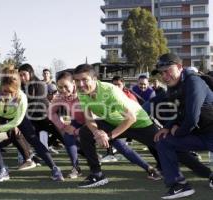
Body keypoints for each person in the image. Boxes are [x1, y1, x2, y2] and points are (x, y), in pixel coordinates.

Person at [73, 64, 165, 188]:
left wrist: (109, 136)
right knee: (85, 132)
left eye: (84, 80)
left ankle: (194, 167)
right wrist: (97, 132)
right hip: (114, 123)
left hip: (139, 123)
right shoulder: (82, 92)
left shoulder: (110, 90)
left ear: (94, 79)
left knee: (167, 146)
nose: (80, 84)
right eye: (77, 81)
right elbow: (88, 118)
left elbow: (131, 118)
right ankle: (97, 173)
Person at [0, 66, 64, 181]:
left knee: (33, 139)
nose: (7, 96)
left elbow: (17, 121)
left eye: (11, 92)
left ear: (17, 89)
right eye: (4, 91)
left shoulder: (22, 97)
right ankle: (2, 169)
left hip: (15, 117)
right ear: (0, 86)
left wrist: (2, 128)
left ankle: (54, 168)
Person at [153, 53, 213, 199]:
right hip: (200, 135)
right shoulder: (173, 87)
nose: (164, 76)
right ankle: (179, 184)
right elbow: (180, 114)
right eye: (162, 73)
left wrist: (178, 131)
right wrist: (167, 127)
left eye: (168, 70)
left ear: (180, 67)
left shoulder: (194, 82)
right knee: (164, 141)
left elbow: (192, 118)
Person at [19, 64, 65, 154]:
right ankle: (30, 157)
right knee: (30, 138)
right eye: (20, 75)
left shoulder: (39, 84)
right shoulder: (22, 86)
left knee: (64, 138)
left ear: (30, 73)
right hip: (35, 118)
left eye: (24, 74)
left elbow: (34, 103)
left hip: (46, 117)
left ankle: (87, 153)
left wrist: (22, 117)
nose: (22, 77)